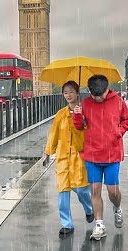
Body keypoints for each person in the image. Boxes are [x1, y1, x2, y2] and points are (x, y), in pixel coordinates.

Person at [72, 74, 128, 241]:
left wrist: (117, 132)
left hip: (112, 153)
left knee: (112, 191)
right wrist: (77, 115)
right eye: (94, 96)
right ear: (90, 92)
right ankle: (99, 225)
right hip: (91, 154)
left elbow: (127, 121)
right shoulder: (84, 104)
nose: (97, 99)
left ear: (107, 90)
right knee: (95, 191)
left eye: (101, 95)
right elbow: (79, 127)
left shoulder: (118, 102)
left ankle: (117, 207)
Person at [40, 80, 94, 237]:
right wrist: (47, 153)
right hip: (63, 157)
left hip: (79, 157)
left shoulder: (86, 112)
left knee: (81, 189)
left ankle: (89, 208)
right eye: (65, 92)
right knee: (63, 191)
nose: (68, 95)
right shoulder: (60, 115)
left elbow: (89, 134)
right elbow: (53, 135)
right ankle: (67, 224)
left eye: (71, 91)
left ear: (77, 93)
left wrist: (81, 120)